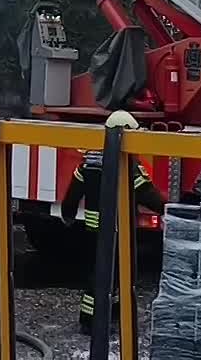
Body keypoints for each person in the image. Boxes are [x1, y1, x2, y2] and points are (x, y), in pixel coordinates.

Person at [60, 110, 166, 335]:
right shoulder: (127, 165)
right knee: (114, 274)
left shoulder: (89, 161)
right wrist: (170, 210)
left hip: (94, 229)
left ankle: (107, 315)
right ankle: (91, 321)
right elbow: (148, 195)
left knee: (101, 272)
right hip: (118, 229)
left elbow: (73, 194)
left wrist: (67, 215)